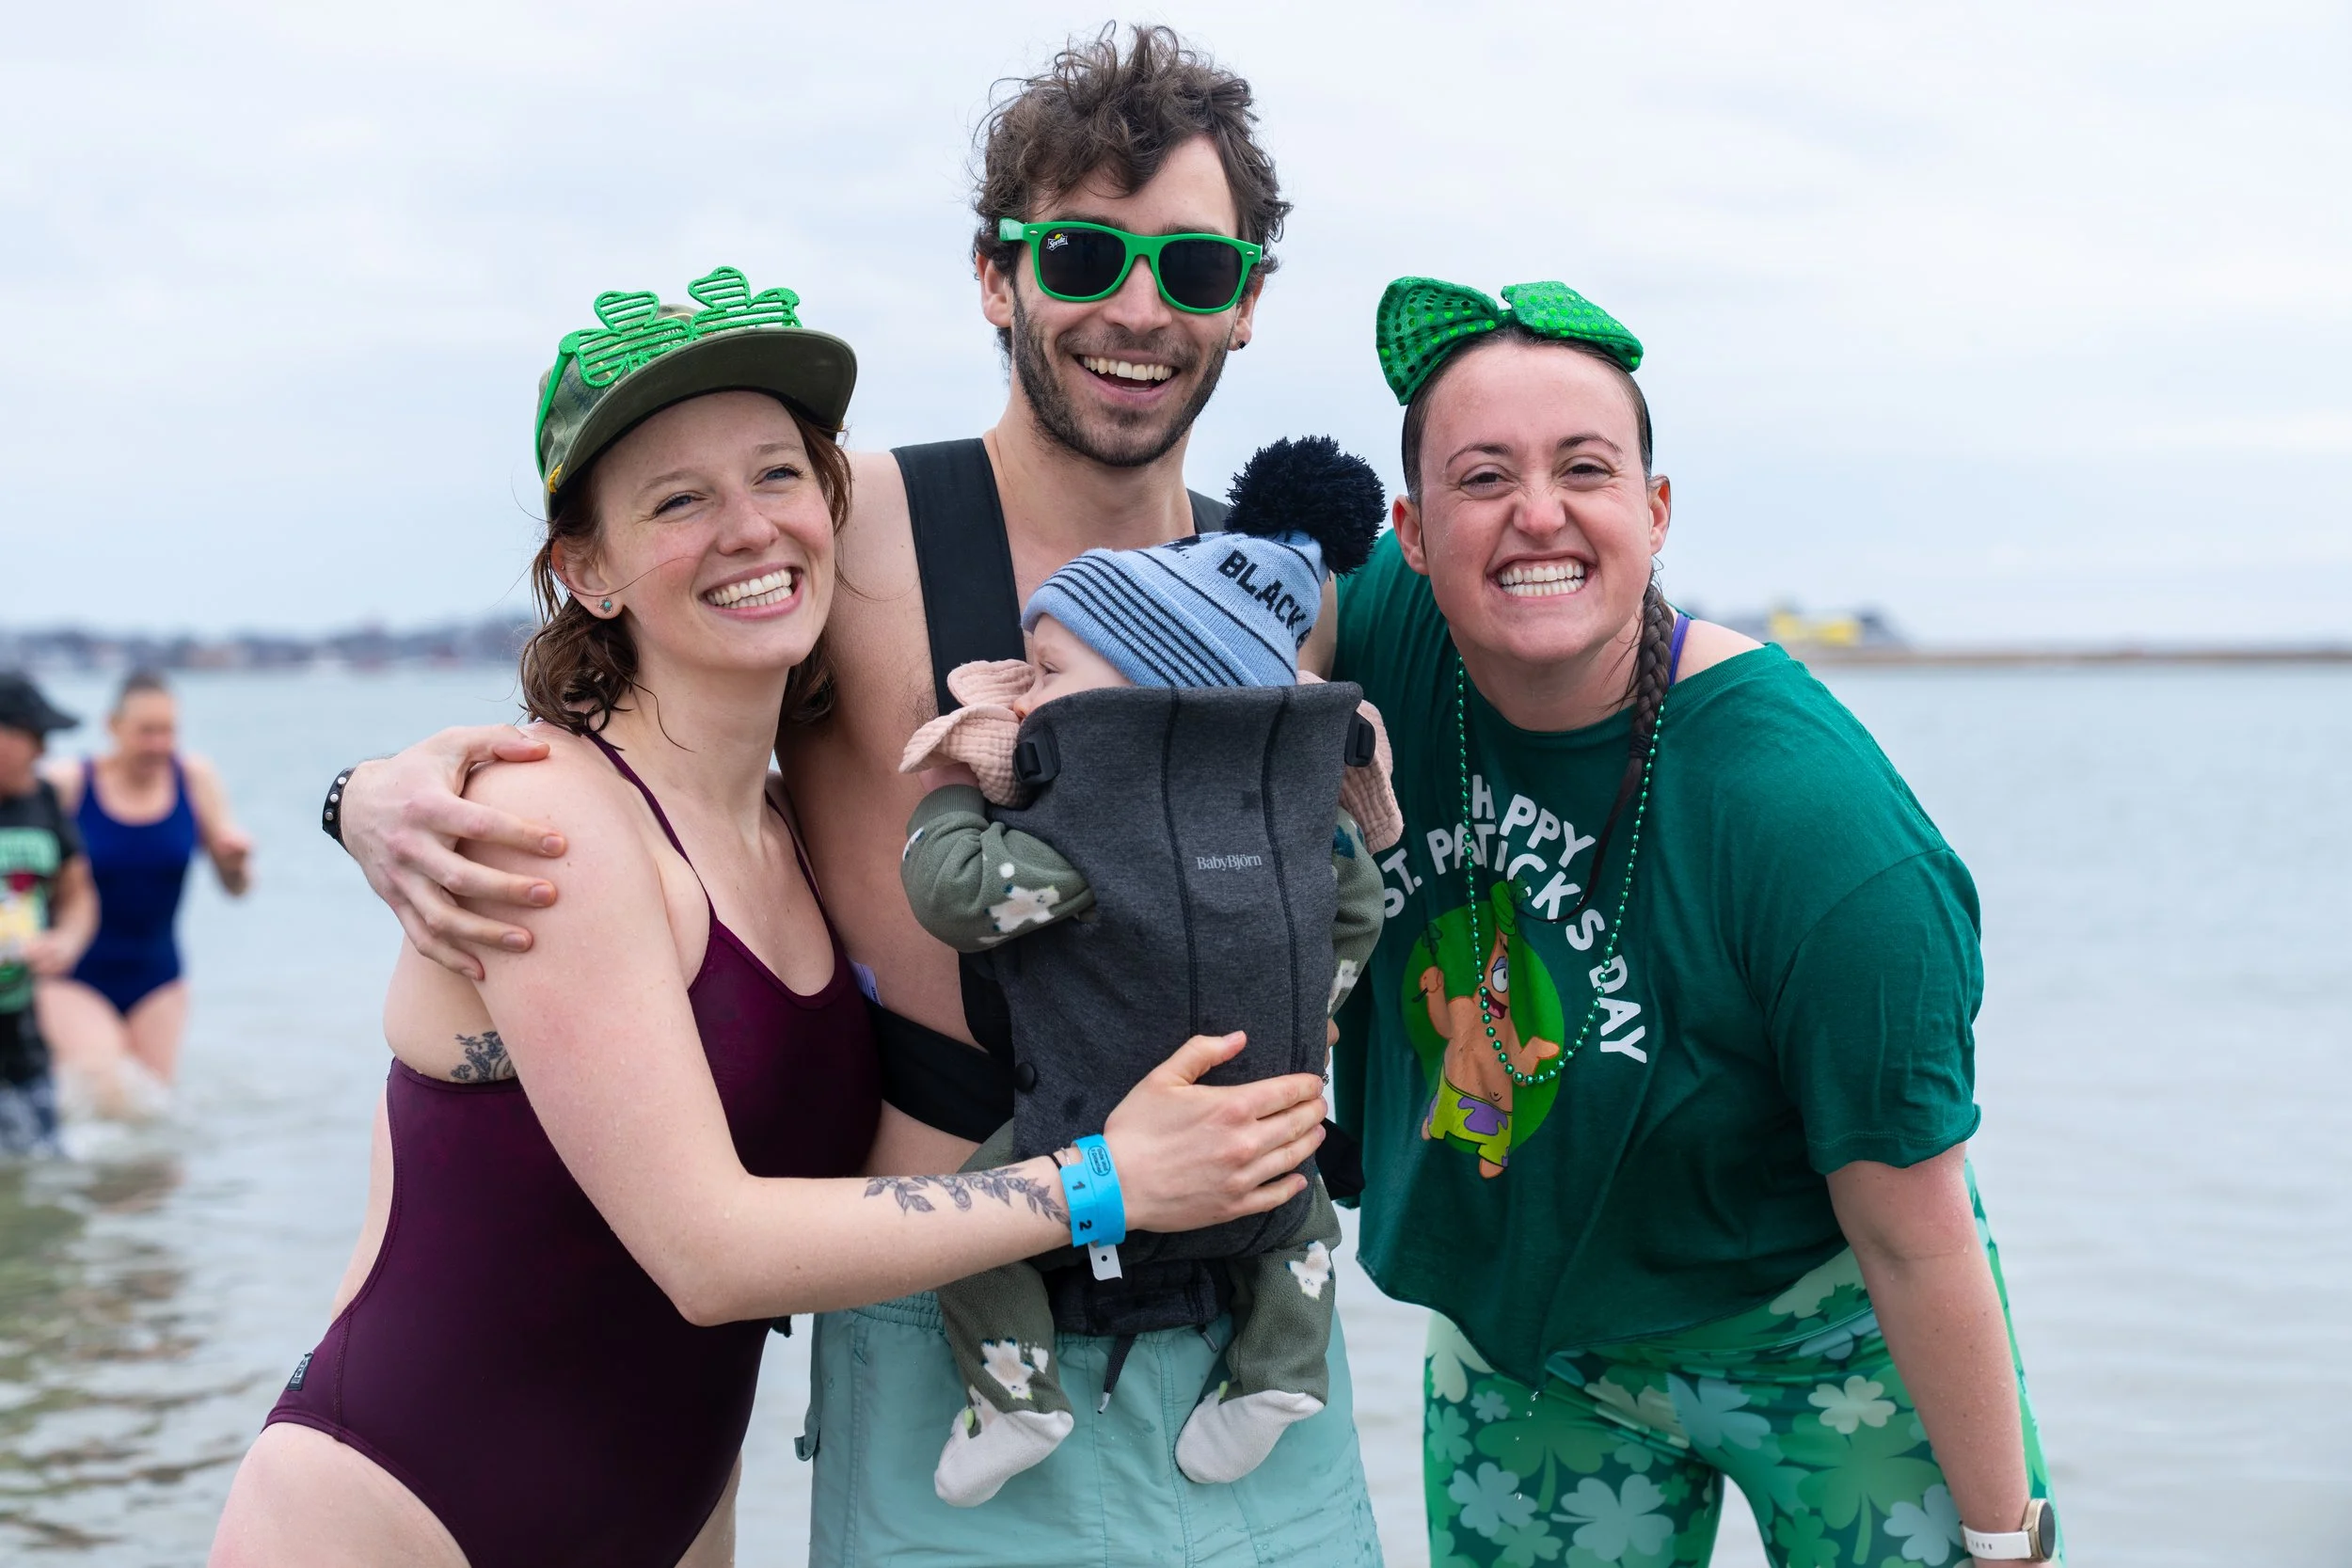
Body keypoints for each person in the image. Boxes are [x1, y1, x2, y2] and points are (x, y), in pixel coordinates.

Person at [321, 26, 1385, 1566]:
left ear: (1249, 299)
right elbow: (647, 730)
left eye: (1195, 266)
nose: (1141, 308)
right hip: (950, 1334)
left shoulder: (1292, 596)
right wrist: (372, 788)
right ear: (996, 276)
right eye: (1084, 253)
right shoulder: (849, 524)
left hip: (1256, 1335)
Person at [1330, 277, 2062, 1566]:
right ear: (1413, 531)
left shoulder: (1812, 821)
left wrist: (2008, 1541)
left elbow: (1913, 1226)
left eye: (1585, 468)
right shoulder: (1376, 627)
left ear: (1655, 510)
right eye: (1483, 477)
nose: (1536, 513)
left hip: (1818, 1328)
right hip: (1529, 1337)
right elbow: (1159, 577)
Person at [898, 436, 1397, 1505]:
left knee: (972, 1228)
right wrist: (1313, 1007)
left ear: (1147, 694)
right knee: (1300, 1220)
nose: (1022, 698)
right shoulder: (1297, 822)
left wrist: (949, 791)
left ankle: (1016, 1397)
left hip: (1090, 1133)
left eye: (1049, 673)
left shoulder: (1091, 832)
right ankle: (1279, 1373)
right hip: (1265, 1111)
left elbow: (956, 896)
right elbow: (1359, 904)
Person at [37, 670, 252, 1117]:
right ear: (112, 726)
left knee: (149, 1115)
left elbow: (237, 889)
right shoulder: (68, 784)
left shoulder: (195, 778)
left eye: (169, 731)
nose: (159, 744)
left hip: (158, 977)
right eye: (147, 731)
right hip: (72, 971)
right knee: (107, 1090)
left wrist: (235, 863)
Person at [0, 673, 97, 1157]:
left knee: (45, 1165)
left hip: (21, 1026)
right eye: (34, 736)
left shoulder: (43, 799)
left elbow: (79, 894)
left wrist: (66, 940)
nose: (44, 751)